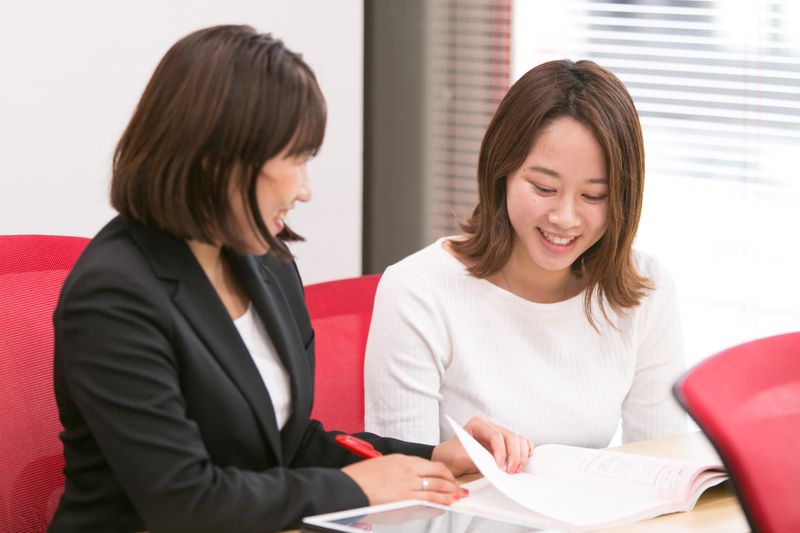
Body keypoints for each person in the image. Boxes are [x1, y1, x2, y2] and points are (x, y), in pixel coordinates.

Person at [49, 25, 532, 533]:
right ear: (220, 161)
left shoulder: (265, 262)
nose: (305, 190)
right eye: (296, 160)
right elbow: (183, 501)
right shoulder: (113, 296)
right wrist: (357, 489)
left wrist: (429, 457)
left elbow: (289, 444)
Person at [364, 59, 687, 449]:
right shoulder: (418, 291)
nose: (565, 218)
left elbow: (661, 462)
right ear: (501, 172)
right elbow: (405, 480)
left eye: (593, 196)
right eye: (544, 188)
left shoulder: (646, 290)